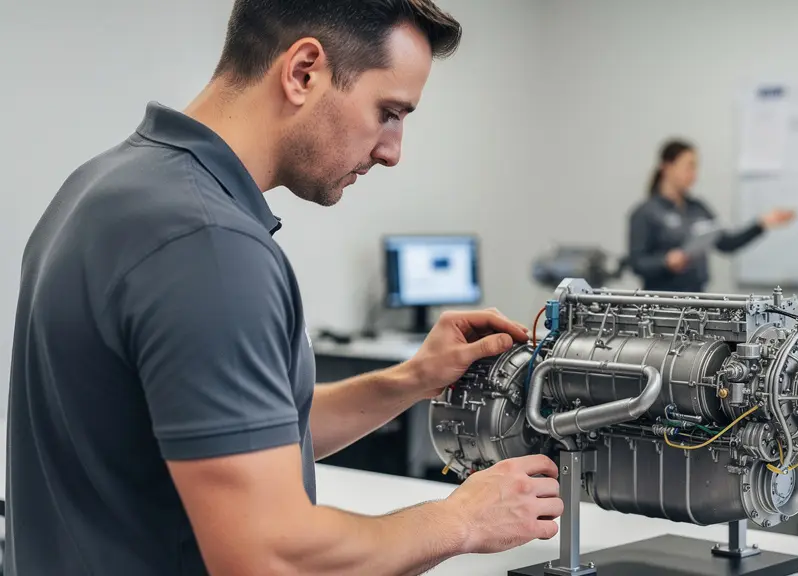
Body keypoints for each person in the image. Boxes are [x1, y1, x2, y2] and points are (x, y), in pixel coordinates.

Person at [4, 2, 563, 575]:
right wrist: (464, 519)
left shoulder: (105, 187)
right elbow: (269, 558)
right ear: (303, 72)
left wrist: (413, 380)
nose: (392, 151)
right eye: (388, 112)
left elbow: (245, 437)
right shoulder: (209, 243)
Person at [627, 139, 796, 292]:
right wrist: (666, 262)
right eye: (689, 166)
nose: (694, 174)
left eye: (696, 167)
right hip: (663, 301)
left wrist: (761, 223)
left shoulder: (697, 208)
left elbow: (727, 243)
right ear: (667, 167)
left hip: (696, 297)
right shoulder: (646, 212)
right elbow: (637, 263)